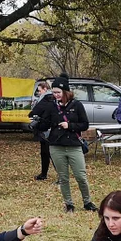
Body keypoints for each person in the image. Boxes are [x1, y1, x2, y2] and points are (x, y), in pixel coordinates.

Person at [45, 74, 97, 213]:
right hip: (56, 146)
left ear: (65, 92)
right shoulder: (51, 106)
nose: (55, 95)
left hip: (74, 145)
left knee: (81, 176)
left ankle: (87, 202)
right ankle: (69, 204)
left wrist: (70, 125)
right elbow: (44, 123)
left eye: (58, 92)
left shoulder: (77, 105)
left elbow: (84, 124)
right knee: (63, 177)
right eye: (53, 92)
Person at [31, 81, 56, 181]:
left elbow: (36, 111)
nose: (39, 93)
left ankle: (60, 176)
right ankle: (44, 174)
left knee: (50, 153)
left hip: (47, 130)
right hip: (46, 129)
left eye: (39, 90)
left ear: (45, 89)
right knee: (45, 153)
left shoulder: (47, 98)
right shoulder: (50, 99)